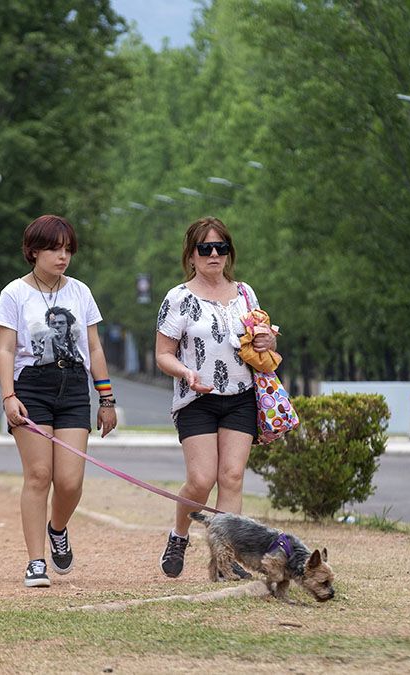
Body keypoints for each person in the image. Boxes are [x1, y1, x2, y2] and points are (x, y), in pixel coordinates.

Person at [0, 214, 118, 588]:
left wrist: (106, 397)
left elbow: (93, 346)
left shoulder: (80, 291)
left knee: (69, 480)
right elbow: (5, 349)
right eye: (54, 249)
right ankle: (35, 561)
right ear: (33, 251)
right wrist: (8, 396)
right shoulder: (15, 293)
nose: (62, 256)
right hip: (31, 388)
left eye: (67, 249)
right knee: (38, 475)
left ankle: (57, 528)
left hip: (74, 386)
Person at [154, 216, 275, 579]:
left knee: (232, 476)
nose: (213, 255)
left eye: (220, 248)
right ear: (191, 255)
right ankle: (179, 534)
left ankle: (226, 560)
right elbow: (163, 354)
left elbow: (260, 338)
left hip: (241, 394)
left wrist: (269, 341)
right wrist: (186, 373)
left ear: (229, 253)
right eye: (205, 248)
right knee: (202, 480)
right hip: (197, 399)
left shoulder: (245, 294)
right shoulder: (178, 298)